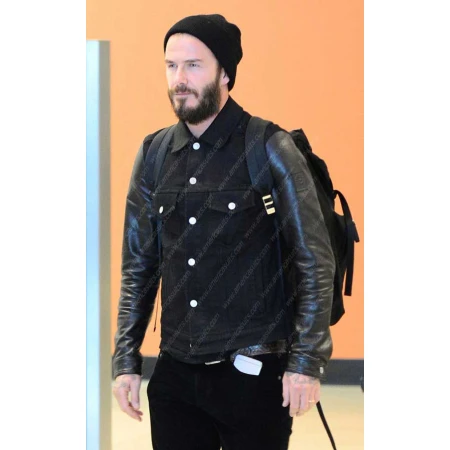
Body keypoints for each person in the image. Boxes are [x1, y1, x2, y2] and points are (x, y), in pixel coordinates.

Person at [112, 13, 335, 450]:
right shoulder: (154, 153)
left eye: (194, 65)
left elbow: (314, 259)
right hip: (175, 374)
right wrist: (125, 361)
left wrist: (307, 362)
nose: (180, 79)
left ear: (226, 73)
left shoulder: (269, 147)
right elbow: (138, 266)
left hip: (253, 374)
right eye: (171, 66)